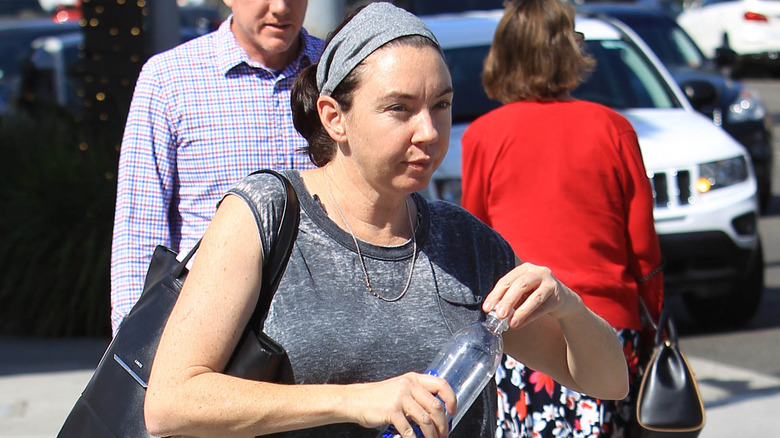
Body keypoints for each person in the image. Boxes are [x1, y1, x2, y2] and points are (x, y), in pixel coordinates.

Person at [143, 3, 629, 438]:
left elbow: (608, 381)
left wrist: (567, 305)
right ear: (335, 117)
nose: (430, 131)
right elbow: (171, 402)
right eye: (399, 108)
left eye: (441, 105)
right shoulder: (265, 214)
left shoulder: (466, 244)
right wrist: (356, 399)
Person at [459, 0, 664, 436]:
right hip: (607, 332)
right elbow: (644, 249)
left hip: (524, 335)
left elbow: (473, 240)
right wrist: (654, 323)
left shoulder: (483, 135)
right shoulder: (614, 128)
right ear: (569, 52)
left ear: (505, 53)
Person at [110, 0, 325, 335]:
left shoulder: (340, 74)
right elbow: (140, 234)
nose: (281, 7)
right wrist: (136, 351)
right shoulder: (170, 79)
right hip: (210, 332)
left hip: (328, 321)